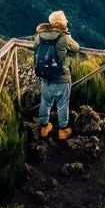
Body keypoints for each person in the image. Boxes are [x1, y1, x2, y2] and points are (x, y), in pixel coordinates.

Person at [34, 10, 80, 140]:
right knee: (62, 104)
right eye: (65, 19)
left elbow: (35, 48)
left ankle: (44, 127)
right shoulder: (64, 37)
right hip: (61, 77)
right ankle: (63, 130)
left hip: (44, 75)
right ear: (60, 22)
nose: (67, 21)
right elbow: (76, 47)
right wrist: (68, 36)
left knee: (45, 102)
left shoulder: (39, 36)